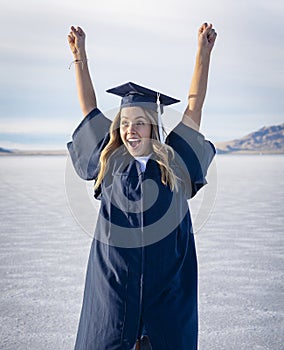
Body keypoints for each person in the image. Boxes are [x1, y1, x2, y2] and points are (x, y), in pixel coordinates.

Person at [67, 22, 217, 350]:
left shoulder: (175, 163)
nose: (131, 130)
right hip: (115, 289)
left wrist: (202, 55)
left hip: (165, 291)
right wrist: (80, 56)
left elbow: (194, 108)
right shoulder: (110, 162)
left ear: (152, 127)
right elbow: (88, 108)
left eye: (139, 123)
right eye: (124, 124)